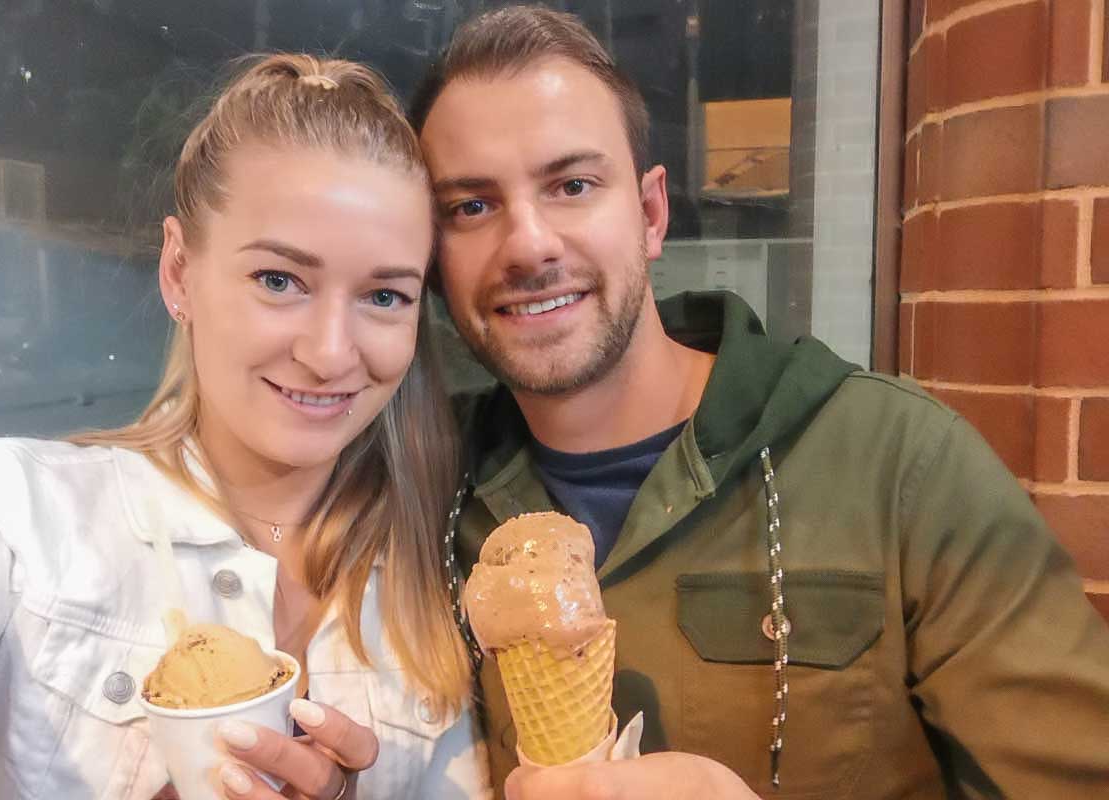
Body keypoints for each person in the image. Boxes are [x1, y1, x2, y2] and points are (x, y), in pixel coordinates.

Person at [410, 6, 1109, 799]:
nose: (529, 244)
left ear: (650, 214)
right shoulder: (415, 491)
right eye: (471, 207)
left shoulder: (899, 465)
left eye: (572, 185)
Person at [0, 54, 491, 800]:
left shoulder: (434, 582)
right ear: (180, 271)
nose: (330, 353)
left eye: (384, 296)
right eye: (279, 280)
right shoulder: (16, 516)